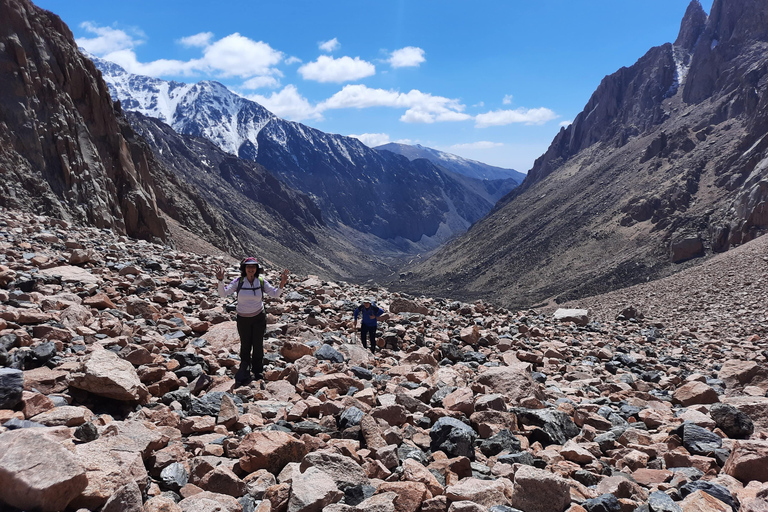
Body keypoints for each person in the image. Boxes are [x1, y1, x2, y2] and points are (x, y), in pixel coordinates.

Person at [215, 257, 288, 385]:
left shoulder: (261, 281)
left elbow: (275, 294)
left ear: (257, 269)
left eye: (253, 267)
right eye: (248, 267)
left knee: (258, 344)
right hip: (243, 318)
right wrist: (220, 280)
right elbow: (223, 294)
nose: (251, 269)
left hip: (258, 317)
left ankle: (257, 370)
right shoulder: (239, 281)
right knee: (245, 344)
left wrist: (282, 283)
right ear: (244, 269)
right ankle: (245, 367)